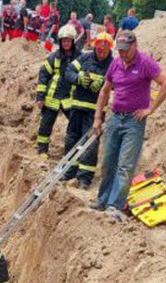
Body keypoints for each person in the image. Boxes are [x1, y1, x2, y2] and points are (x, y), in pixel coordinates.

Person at [92, 31, 166, 220]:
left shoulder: (145, 62)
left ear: (135, 45)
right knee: (108, 162)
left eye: (126, 50)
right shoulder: (116, 63)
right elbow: (104, 91)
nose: (123, 54)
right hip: (115, 117)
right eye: (120, 50)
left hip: (134, 122)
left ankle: (115, 206)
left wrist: (151, 109)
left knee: (125, 165)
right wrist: (98, 117)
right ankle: (102, 200)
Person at [61, 32, 114, 188]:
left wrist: (104, 83)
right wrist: (78, 79)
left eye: (104, 49)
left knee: (90, 144)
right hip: (77, 107)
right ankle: (69, 172)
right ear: (95, 46)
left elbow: (118, 81)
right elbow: (68, 71)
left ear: (109, 49)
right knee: (71, 139)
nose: (101, 51)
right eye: (98, 48)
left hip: (94, 111)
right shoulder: (85, 58)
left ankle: (84, 178)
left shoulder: (113, 64)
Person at [35, 24, 78, 159]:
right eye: (63, 40)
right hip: (51, 97)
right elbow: (43, 76)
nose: (66, 43)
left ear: (73, 41)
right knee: (45, 125)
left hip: (69, 98)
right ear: (60, 42)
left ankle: (72, 153)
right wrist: (40, 97)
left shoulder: (79, 57)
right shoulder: (53, 57)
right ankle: (42, 150)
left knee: (75, 126)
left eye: (68, 40)